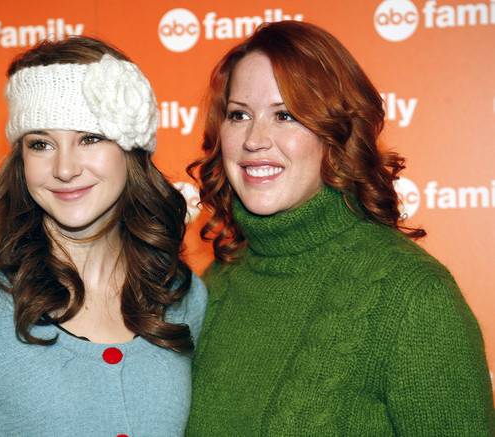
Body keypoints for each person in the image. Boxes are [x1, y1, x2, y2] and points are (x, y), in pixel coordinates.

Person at [185, 21, 494, 436]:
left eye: (285, 115)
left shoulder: (413, 296)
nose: (255, 139)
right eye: (239, 115)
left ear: (337, 133)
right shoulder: (217, 281)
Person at [0, 36, 207, 436]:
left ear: (132, 151)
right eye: (41, 144)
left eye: (89, 138)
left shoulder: (181, 296)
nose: (64, 168)